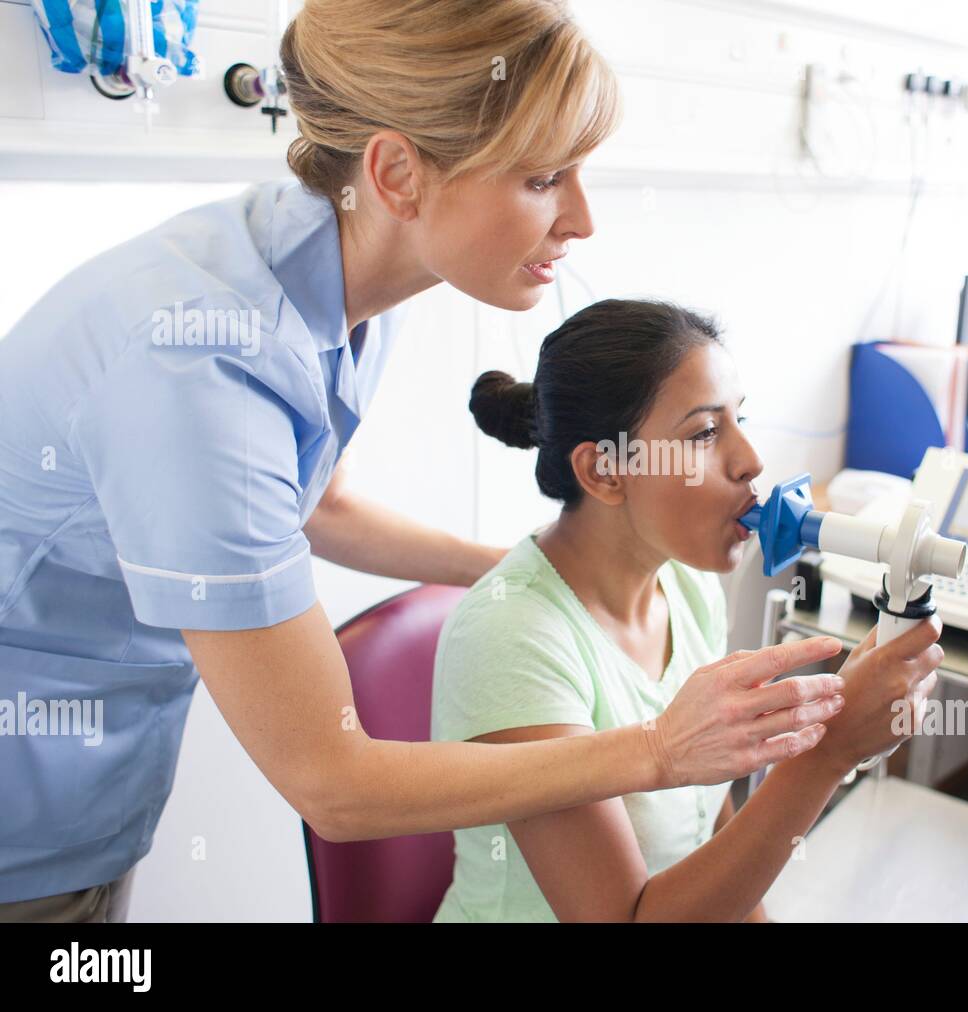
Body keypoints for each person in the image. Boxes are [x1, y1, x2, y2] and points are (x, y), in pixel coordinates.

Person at [0, 0, 847, 920]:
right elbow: (333, 783)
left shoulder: (343, 284)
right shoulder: (199, 369)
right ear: (398, 173)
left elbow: (314, 506)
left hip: (98, 781)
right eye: (542, 178)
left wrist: (527, 579)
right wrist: (658, 748)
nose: (583, 220)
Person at [431, 299, 944, 922]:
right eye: (704, 433)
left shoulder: (687, 588)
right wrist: (827, 755)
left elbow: (712, 831)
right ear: (605, 471)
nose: (751, 459)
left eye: (740, 418)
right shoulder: (512, 640)